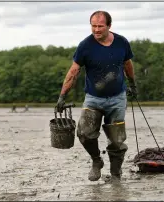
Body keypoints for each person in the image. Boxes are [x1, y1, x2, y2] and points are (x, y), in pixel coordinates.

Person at [56, 11, 137, 182]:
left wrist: (132, 84)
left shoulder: (122, 42)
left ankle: (116, 174)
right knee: (84, 133)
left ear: (109, 26)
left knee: (116, 140)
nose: (96, 29)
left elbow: (127, 64)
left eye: (100, 26)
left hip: (117, 98)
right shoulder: (85, 46)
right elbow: (73, 71)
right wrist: (62, 95)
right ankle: (96, 160)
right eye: (93, 26)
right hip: (93, 98)